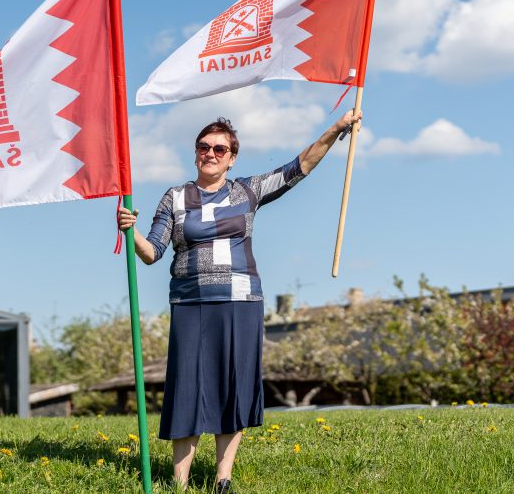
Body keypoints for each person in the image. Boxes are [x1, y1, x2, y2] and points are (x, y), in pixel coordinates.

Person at [118, 110, 361, 493]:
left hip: (240, 302)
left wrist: (336, 128)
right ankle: (179, 483)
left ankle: (223, 477)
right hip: (190, 303)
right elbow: (153, 252)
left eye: (219, 148)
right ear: (195, 153)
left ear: (232, 157)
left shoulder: (247, 191)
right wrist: (130, 233)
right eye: (203, 147)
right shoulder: (175, 197)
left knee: (233, 384)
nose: (210, 153)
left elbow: (300, 167)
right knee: (187, 386)